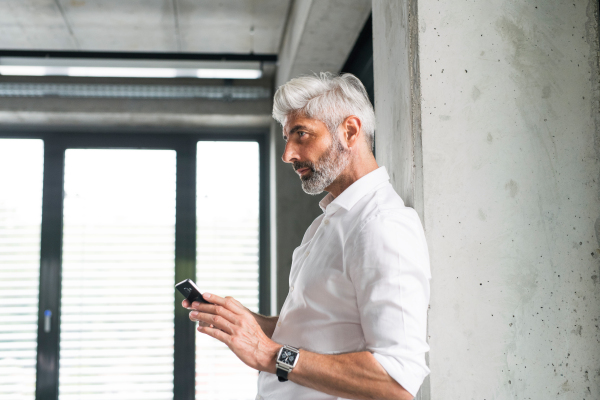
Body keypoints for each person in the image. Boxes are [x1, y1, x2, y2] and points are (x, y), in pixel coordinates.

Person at [183, 72, 431, 400]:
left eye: (301, 134)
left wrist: (269, 354)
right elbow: (319, 330)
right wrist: (247, 324)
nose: (288, 154)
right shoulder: (329, 222)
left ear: (350, 131)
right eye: (288, 137)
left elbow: (396, 382)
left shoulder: (382, 225)